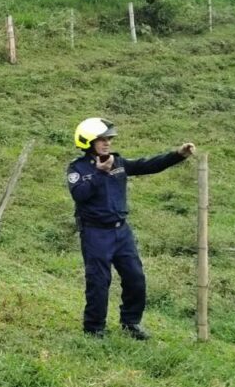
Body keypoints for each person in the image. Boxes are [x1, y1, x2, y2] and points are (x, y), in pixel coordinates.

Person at [67, 117, 195, 340]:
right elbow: (79, 194)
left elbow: (148, 165)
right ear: (88, 142)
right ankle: (94, 328)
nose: (107, 143)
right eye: (102, 139)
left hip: (121, 232)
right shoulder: (77, 168)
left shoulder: (119, 162)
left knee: (135, 278)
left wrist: (178, 155)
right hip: (95, 232)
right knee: (98, 281)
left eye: (109, 139)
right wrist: (100, 173)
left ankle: (131, 323)